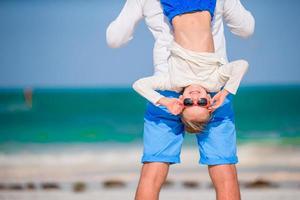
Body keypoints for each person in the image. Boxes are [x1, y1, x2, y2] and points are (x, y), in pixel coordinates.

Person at [106, 0, 255, 199]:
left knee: (152, 174)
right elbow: (246, 29)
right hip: (214, 91)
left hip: (165, 90)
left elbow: (114, 39)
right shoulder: (208, 93)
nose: (194, 99)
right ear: (206, 105)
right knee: (225, 174)